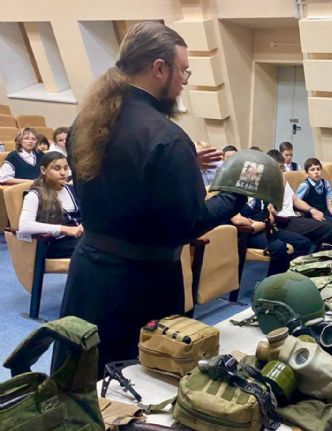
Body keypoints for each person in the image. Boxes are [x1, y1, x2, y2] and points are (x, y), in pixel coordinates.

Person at [56, 22, 247, 376]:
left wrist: (182, 163)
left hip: (89, 273)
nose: (185, 81)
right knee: (136, 384)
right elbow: (187, 225)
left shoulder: (87, 120)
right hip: (139, 286)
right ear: (159, 68)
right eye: (183, 70)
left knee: (81, 377)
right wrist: (235, 195)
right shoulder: (166, 137)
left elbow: (119, 180)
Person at [267, 149, 332, 247]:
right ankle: (318, 250)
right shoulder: (266, 183)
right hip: (283, 221)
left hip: (293, 217)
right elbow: (270, 211)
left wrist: (311, 210)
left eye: (282, 167)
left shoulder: (283, 178)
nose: (281, 171)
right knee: (330, 227)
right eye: (277, 168)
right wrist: (272, 212)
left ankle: (319, 249)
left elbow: (295, 200)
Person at [18, 152, 82, 258]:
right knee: (94, 248)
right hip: (56, 243)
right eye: (57, 168)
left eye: (65, 168)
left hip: (79, 238)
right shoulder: (35, 195)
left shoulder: (73, 189)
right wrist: (64, 229)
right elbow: (24, 226)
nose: (63, 173)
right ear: (43, 170)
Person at [231, 197, 311, 275]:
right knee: (278, 247)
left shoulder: (260, 196)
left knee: (303, 243)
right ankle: (273, 279)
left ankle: (291, 273)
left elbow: (271, 219)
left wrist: (261, 225)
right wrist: (258, 225)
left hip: (268, 228)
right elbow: (237, 221)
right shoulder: (235, 197)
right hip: (250, 235)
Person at [295, 157, 332, 235]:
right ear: (306, 173)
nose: (316, 172)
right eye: (312, 170)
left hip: (325, 211)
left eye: (318, 169)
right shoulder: (305, 185)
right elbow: (296, 202)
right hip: (313, 215)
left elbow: (330, 206)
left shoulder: (325, 183)